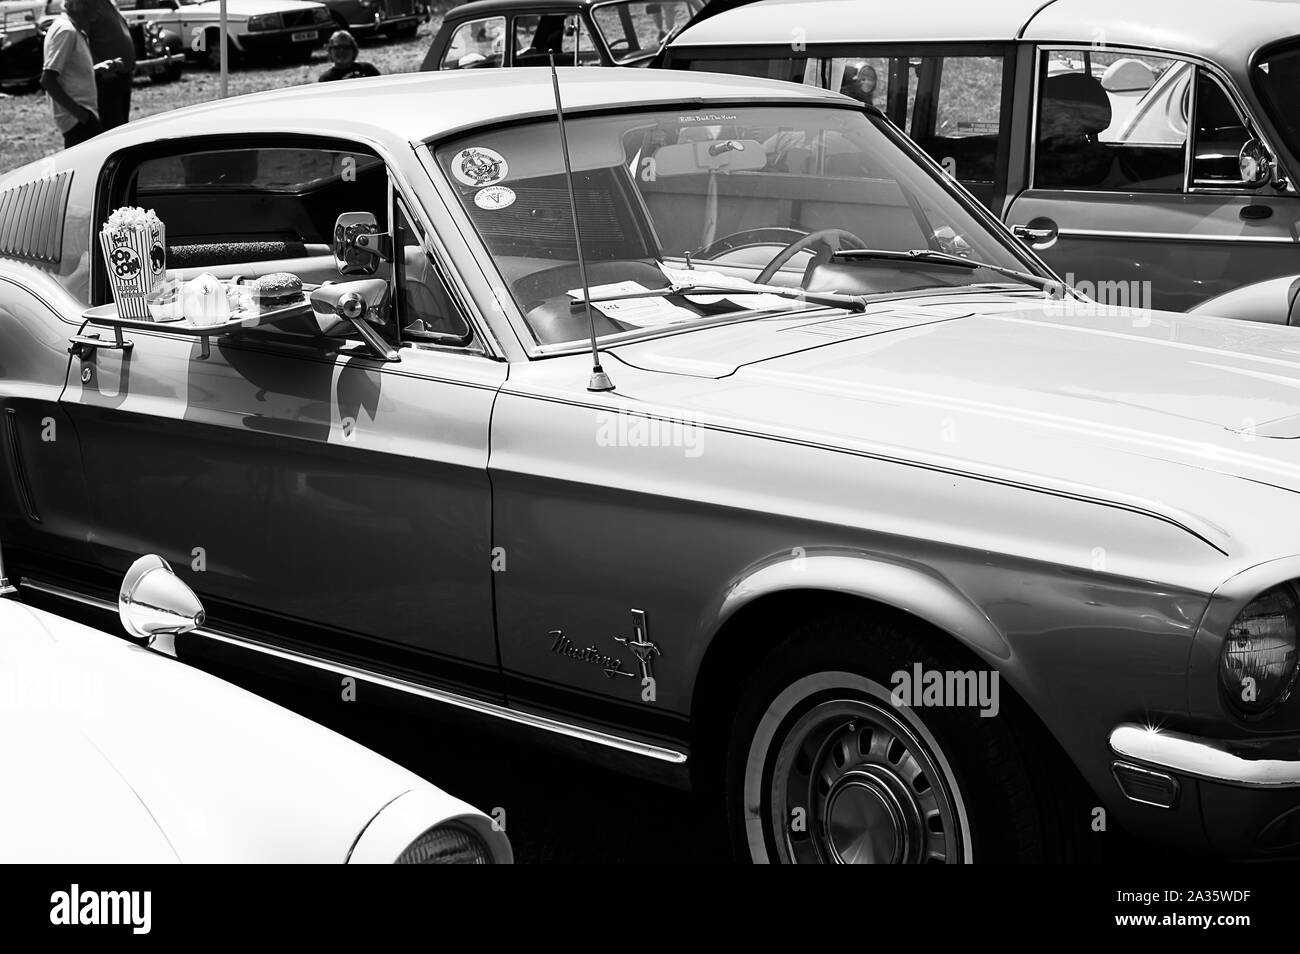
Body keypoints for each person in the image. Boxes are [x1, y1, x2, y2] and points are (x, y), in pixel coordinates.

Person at [41, 0, 116, 148]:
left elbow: (66, 73)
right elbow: (48, 79)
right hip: (78, 120)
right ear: (80, 5)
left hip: (81, 118)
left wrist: (94, 69)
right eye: (95, 5)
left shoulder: (69, 28)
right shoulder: (66, 31)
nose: (98, 11)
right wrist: (82, 116)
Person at [85, 0, 135, 129]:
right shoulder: (89, 5)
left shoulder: (108, 3)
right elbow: (83, 39)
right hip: (108, 78)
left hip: (122, 75)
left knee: (122, 126)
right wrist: (103, 71)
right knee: (113, 128)